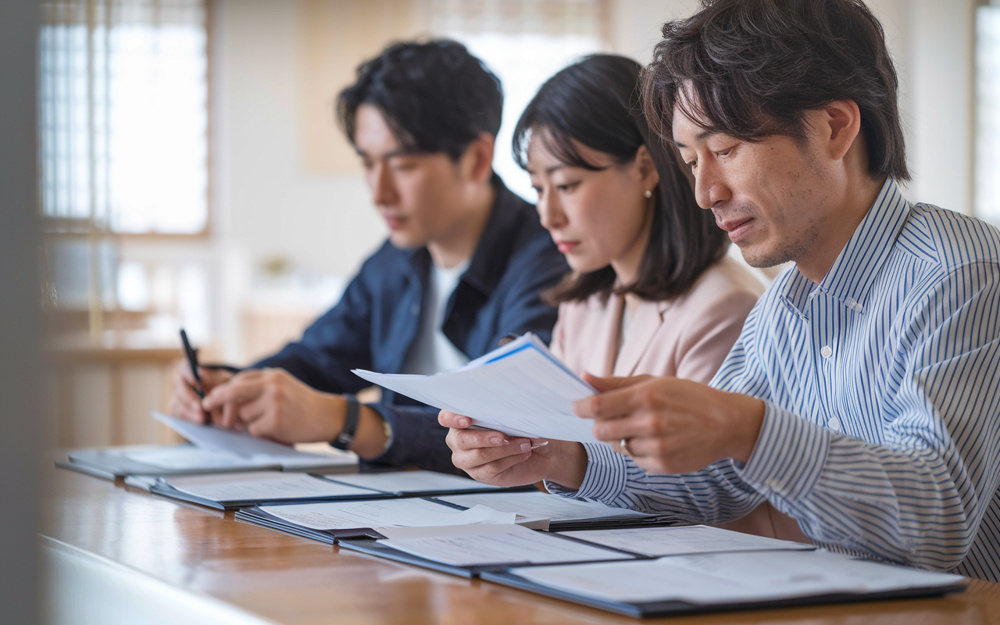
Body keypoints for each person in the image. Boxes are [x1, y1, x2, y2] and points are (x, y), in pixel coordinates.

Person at [443, 0, 1000, 580]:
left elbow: (936, 522)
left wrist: (746, 428)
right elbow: (719, 483)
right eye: (689, 162)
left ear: (835, 127)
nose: (706, 191)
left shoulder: (959, 274)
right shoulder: (785, 307)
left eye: (726, 150)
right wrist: (563, 456)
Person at [169, 39, 567, 474]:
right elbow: (317, 358)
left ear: (475, 159)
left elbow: (513, 433)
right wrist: (232, 386)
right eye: (367, 163)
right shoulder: (395, 261)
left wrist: (345, 420)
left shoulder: (549, 259)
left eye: (402, 165)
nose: (379, 193)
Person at [442, 53, 784, 533]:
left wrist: (560, 457)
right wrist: (510, 444)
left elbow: (709, 493)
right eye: (538, 189)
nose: (548, 215)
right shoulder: (585, 302)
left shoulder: (726, 307)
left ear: (645, 169)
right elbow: (559, 470)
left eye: (567, 184)